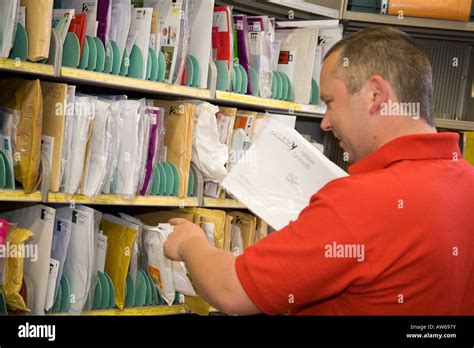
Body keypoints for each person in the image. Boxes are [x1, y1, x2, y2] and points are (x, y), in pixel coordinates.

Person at [164, 27, 474, 315]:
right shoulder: (467, 183)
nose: (325, 122)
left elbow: (229, 289)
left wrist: (191, 243)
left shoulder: (363, 201)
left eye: (329, 102)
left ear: (376, 95)